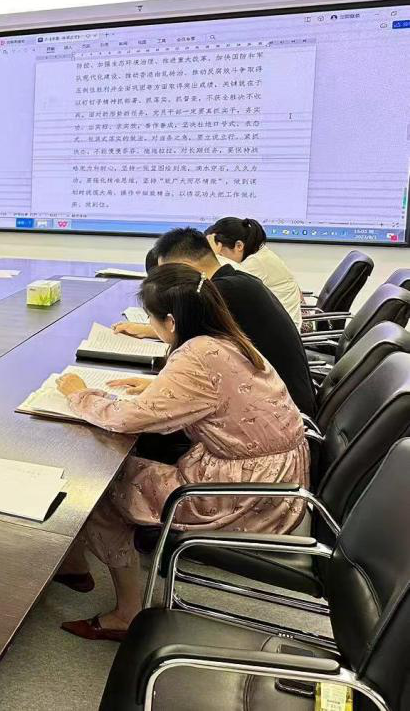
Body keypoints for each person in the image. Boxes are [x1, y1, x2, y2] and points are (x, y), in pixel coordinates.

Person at [53, 264, 308, 641]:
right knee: (127, 465)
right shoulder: (224, 338)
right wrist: (156, 387)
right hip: (278, 477)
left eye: (152, 319)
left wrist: (79, 393)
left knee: (100, 485)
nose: (151, 326)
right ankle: (74, 564)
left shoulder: (195, 356)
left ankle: (126, 613)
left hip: (246, 494)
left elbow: (125, 419)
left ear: (170, 321)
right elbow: (213, 394)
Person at [113, 227, 315, 416]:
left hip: (278, 413)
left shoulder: (216, 294)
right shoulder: (238, 281)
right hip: (281, 400)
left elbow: (189, 356)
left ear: (184, 268)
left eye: (168, 276)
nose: (167, 284)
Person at [206, 217, 302, 327]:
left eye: (220, 254)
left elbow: (219, 287)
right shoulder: (258, 255)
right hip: (273, 322)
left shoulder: (255, 262)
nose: (219, 259)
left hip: (279, 327)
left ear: (239, 246)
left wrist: (211, 257)